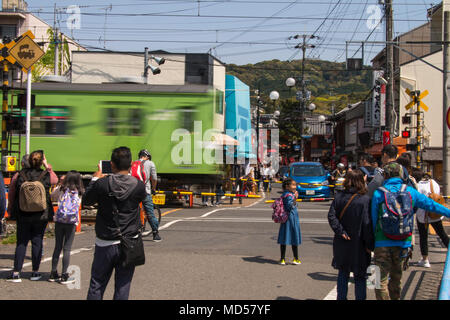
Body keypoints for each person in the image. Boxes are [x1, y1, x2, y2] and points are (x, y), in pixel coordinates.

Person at [371, 162, 450, 300]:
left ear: (385, 175)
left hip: (382, 242)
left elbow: (372, 219)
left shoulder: (379, 193)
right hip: (403, 242)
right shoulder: (410, 192)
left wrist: (373, 240)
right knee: (396, 278)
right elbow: (431, 205)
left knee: (379, 280)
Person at [84, 147, 147, 300]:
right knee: (123, 286)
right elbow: (141, 201)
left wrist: (94, 179)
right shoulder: (138, 186)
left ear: (111, 164)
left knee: (97, 283)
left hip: (105, 242)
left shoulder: (102, 184)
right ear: (131, 164)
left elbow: (86, 201)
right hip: (129, 242)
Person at [7, 150, 55, 283]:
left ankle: (16, 273)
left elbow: (12, 193)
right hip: (41, 214)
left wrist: (11, 209)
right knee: (37, 241)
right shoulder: (46, 175)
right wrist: (47, 166)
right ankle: (35, 272)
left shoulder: (19, 174)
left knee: (21, 242)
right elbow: (55, 179)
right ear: (41, 161)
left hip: (23, 213)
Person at [327, 170, 373, 300]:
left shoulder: (339, 197)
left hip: (342, 241)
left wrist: (341, 231)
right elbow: (367, 224)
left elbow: (331, 216)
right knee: (360, 276)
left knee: (343, 273)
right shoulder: (365, 200)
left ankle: (341, 298)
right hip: (359, 243)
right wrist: (370, 244)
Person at [49, 171, 84, 284]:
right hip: (71, 223)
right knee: (67, 248)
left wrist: (59, 185)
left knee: (57, 247)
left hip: (59, 221)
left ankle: (53, 273)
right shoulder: (79, 191)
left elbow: (52, 196)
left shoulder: (61, 189)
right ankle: (64, 275)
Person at [411, 169, 449, 268]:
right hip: (435, 213)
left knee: (423, 237)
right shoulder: (434, 183)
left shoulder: (418, 186)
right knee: (442, 234)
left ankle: (425, 259)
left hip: (422, 215)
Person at [135, 149, 161, 242]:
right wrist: (153, 189)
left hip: (133, 191)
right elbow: (154, 178)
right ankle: (155, 233)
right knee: (150, 212)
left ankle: (132, 232)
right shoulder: (150, 163)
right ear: (147, 156)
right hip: (145, 191)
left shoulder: (133, 163)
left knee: (132, 211)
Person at [277, 178, 302, 265]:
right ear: (287, 186)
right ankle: (295, 258)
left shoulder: (285, 194)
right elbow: (290, 206)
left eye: (295, 185)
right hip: (291, 218)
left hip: (285, 218)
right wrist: (295, 198)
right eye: (293, 185)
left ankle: (282, 259)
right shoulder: (289, 195)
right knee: (294, 237)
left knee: (284, 238)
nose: (295, 186)